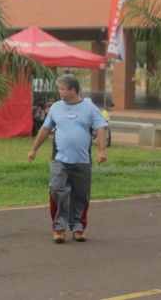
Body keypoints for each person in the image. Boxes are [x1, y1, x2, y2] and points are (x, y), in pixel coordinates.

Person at [28, 74, 107, 244]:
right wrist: (34, 149)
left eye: (63, 89)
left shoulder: (89, 107)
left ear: (73, 90)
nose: (60, 92)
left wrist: (102, 150)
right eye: (60, 89)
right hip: (60, 159)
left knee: (81, 195)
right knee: (57, 190)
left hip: (82, 160)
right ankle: (59, 228)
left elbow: (101, 128)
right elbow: (44, 129)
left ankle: (77, 227)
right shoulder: (56, 107)